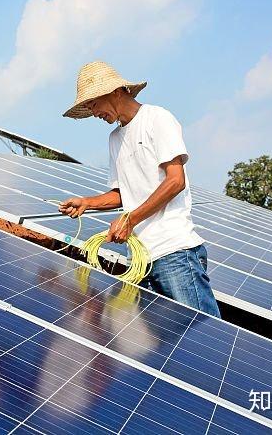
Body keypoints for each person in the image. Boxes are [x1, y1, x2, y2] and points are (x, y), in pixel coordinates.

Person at [58, 61, 221, 318]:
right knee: (164, 353)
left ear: (115, 91)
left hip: (174, 252)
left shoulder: (157, 119)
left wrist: (130, 219)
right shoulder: (115, 139)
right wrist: (87, 202)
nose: (93, 112)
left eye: (93, 103)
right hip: (142, 261)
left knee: (203, 339)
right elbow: (123, 194)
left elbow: (175, 180)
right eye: (88, 107)